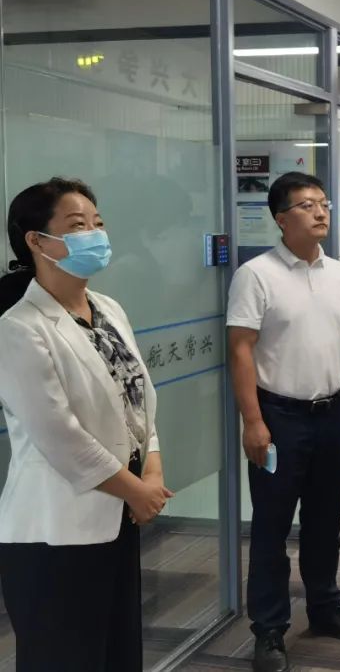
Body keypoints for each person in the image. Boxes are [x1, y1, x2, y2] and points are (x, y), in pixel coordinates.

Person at [0, 177, 170, 671]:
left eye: (98, 222)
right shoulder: (19, 327)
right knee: (65, 657)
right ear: (36, 241)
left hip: (116, 515)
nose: (95, 234)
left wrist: (152, 469)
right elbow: (59, 435)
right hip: (55, 529)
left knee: (116, 652)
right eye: (77, 226)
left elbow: (137, 400)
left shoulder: (108, 309)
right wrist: (137, 490)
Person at [227, 172, 340, 672]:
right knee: (271, 526)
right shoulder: (256, 274)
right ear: (280, 218)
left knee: (325, 520)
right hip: (280, 417)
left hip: (331, 412)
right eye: (307, 205)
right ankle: (269, 629)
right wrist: (252, 421)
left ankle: (325, 607)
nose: (320, 212)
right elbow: (240, 349)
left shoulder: (337, 272)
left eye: (323, 203)